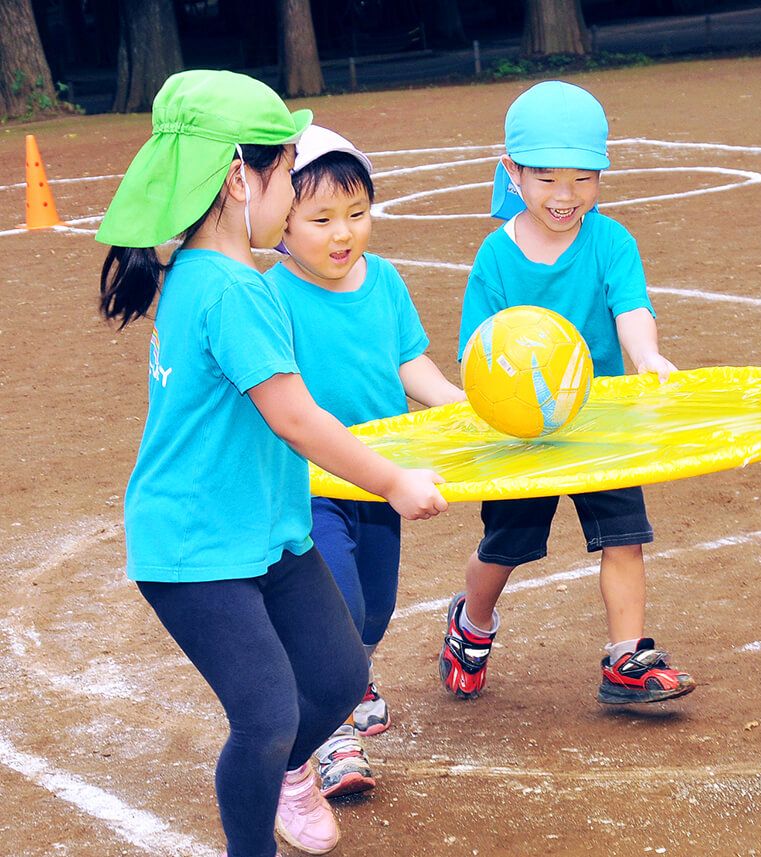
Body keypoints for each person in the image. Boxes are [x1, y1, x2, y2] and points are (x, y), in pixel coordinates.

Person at [96, 70, 446, 857]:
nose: (293, 192)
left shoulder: (204, 269)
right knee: (267, 714)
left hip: (267, 531)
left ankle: (290, 776)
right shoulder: (230, 288)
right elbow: (296, 417)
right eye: (287, 171)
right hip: (195, 549)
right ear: (236, 177)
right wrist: (393, 481)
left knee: (337, 677)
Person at [438, 80, 695, 706]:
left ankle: (626, 658)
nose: (566, 195)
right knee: (506, 546)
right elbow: (478, 348)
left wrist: (646, 356)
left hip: (600, 418)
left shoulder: (611, 242)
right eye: (547, 178)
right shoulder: (496, 257)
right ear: (512, 173)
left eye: (584, 179)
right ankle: (471, 625)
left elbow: (630, 308)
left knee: (624, 536)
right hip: (520, 430)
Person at [265, 125, 464, 799]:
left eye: (357, 214)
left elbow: (408, 359)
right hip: (312, 482)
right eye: (320, 218)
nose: (342, 232)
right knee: (337, 602)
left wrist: (453, 401)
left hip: (384, 477)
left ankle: (355, 675)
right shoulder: (270, 296)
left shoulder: (384, 281)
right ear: (280, 222)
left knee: (375, 608)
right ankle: (331, 729)